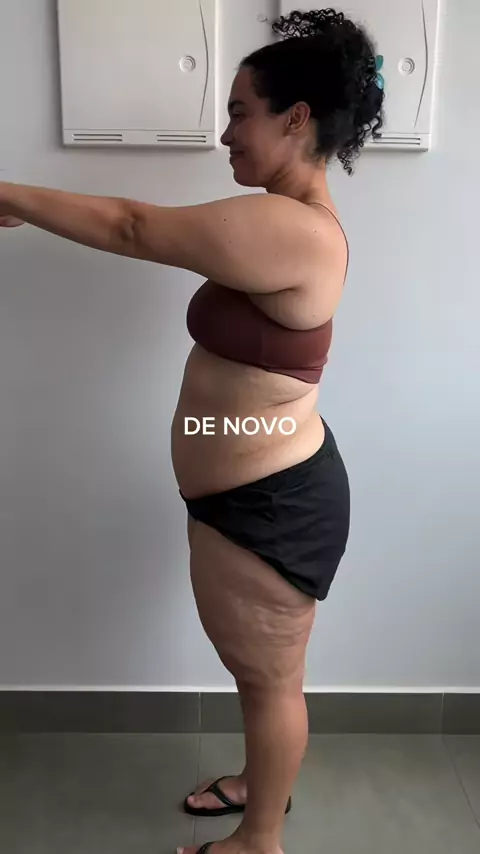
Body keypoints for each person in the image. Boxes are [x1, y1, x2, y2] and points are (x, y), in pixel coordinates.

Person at [0, 8, 384, 854]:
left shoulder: (294, 229)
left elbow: (133, 227)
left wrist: (10, 193)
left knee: (269, 678)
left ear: (295, 119)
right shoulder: (285, 220)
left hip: (269, 505)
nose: (226, 133)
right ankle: (260, 784)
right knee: (259, 673)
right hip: (256, 496)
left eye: (241, 113)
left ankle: (259, 839)